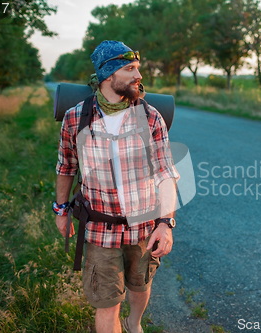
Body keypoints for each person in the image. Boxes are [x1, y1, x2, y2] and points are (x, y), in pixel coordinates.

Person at [53, 40, 180, 333]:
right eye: (130, 68)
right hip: (99, 229)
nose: (139, 75)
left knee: (140, 287)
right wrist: (61, 209)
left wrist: (166, 223)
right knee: (107, 303)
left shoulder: (150, 117)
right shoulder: (76, 117)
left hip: (144, 226)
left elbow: (166, 173)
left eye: (138, 68)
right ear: (109, 75)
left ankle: (134, 324)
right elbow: (66, 167)